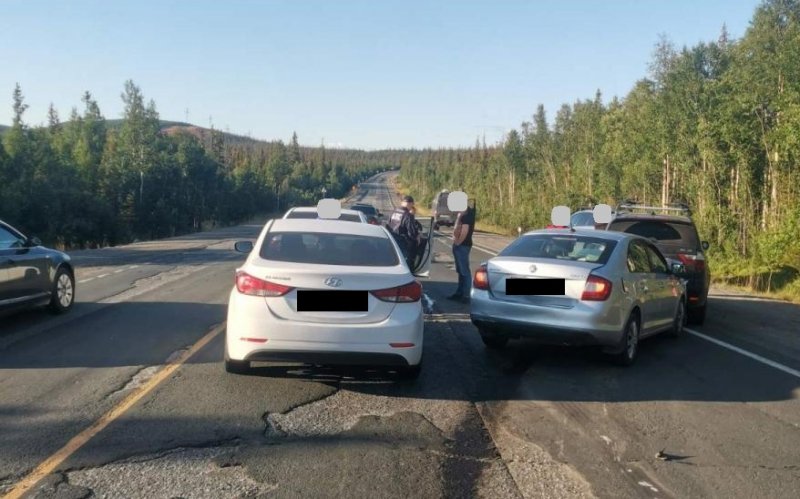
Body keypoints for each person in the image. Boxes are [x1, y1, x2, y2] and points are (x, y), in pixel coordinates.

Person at [448, 203, 475, 304]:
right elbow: (456, 228)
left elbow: (464, 231)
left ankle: (466, 295)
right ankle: (460, 292)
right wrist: (459, 217)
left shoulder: (467, 217)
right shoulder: (463, 215)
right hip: (461, 245)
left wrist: (458, 243)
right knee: (460, 271)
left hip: (463, 245)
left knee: (464, 271)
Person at [387, 195, 420, 270]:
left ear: (402, 202)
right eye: (412, 205)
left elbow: (388, 224)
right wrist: (417, 238)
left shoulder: (394, 211)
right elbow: (412, 232)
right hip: (402, 242)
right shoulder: (408, 215)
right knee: (406, 263)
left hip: (391, 240)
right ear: (411, 204)